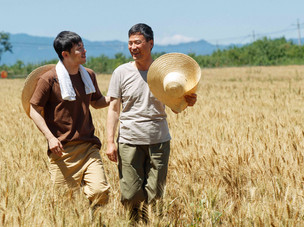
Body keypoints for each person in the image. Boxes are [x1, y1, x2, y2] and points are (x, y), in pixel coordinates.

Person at [106, 23, 197, 223]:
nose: (133, 47)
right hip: (129, 140)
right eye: (130, 43)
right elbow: (113, 108)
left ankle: (150, 222)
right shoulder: (121, 73)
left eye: (137, 42)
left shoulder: (165, 75)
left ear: (150, 43)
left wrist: (187, 101)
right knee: (130, 194)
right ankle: (133, 222)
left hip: (159, 140)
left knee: (155, 194)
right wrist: (110, 141)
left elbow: (175, 106)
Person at [29, 31, 111, 213]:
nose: (84, 51)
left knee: (100, 192)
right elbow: (34, 109)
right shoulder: (49, 79)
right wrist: (50, 138)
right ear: (65, 54)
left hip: (89, 147)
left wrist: (115, 97)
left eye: (83, 46)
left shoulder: (88, 75)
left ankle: (95, 223)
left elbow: (96, 102)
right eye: (79, 48)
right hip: (62, 151)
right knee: (64, 205)